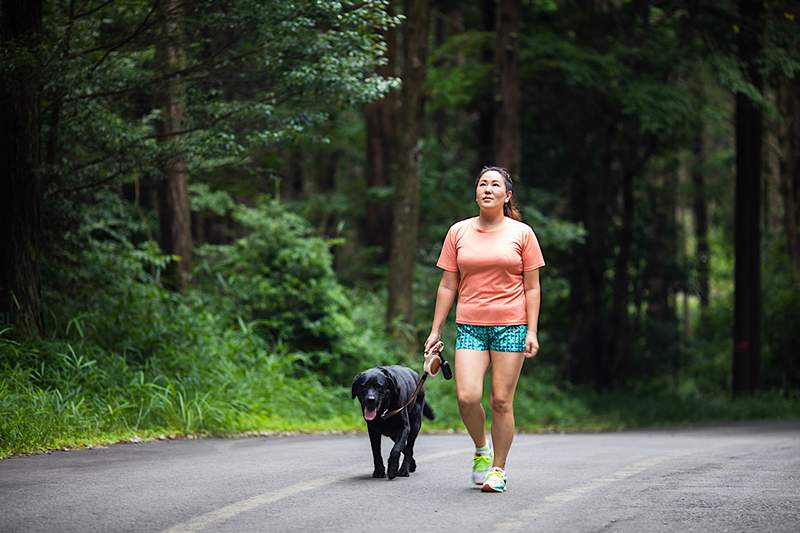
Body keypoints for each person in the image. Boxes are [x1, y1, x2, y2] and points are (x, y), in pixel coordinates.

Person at [423, 166, 544, 493]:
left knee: (502, 401)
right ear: (476, 192)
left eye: (495, 185)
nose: (487, 189)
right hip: (471, 326)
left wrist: (531, 331)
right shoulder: (458, 232)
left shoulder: (522, 234)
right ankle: (481, 448)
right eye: (482, 184)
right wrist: (436, 330)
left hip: (511, 325)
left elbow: (532, 288)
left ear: (507, 196)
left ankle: (498, 470)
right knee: (467, 396)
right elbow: (448, 284)